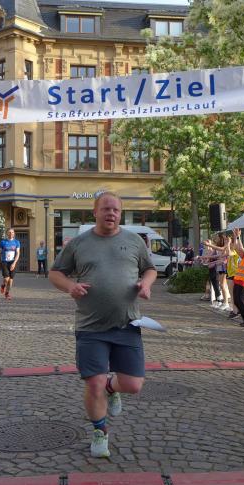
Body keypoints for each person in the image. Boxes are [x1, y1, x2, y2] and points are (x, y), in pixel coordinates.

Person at [49, 191, 156, 458]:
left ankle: (112, 387)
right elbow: (55, 273)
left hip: (127, 324)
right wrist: (70, 286)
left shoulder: (134, 241)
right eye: (106, 209)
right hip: (90, 326)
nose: (111, 213)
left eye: (116, 210)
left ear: (121, 214)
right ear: (95, 212)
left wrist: (146, 284)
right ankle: (100, 430)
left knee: (133, 385)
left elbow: (150, 269)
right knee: (94, 383)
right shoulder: (79, 243)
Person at [0, 228, 21, 300]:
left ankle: (7, 293)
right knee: (6, 279)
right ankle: (3, 285)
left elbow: (18, 253)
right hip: (4, 262)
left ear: (14, 233)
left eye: (12, 232)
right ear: (7, 234)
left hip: (12, 262)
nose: (11, 234)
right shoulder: (3, 242)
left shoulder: (16, 242)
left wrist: (14, 263)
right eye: (9, 232)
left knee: (10, 280)